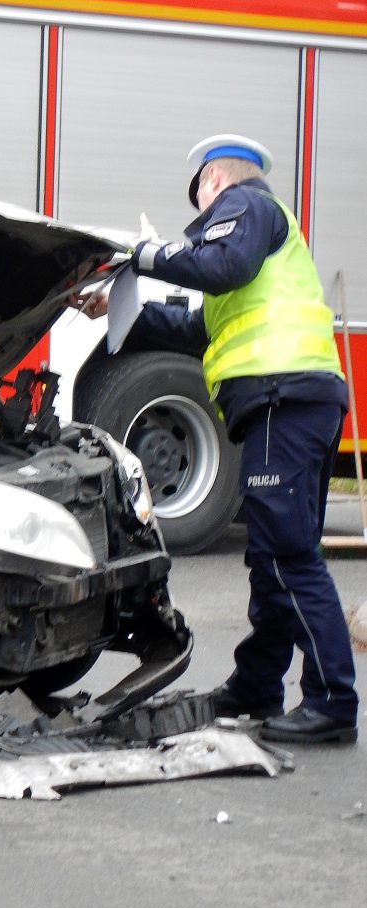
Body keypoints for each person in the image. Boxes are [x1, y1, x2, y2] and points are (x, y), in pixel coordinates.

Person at [72, 134, 358, 744]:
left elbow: (220, 263)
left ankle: (333, 702)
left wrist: (144, 255)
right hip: (288, 401)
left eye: (199, 197)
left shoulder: (246, 204)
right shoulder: (253, 246)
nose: (201, 218)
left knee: (287, 556)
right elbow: (196, 326)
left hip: (284, 398)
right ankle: (257, 685)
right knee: (273, 556)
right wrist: (116, 312)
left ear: (214, 181)